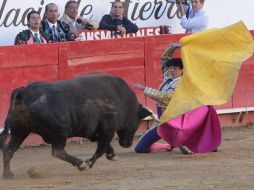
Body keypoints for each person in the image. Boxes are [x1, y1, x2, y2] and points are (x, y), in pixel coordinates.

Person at [134, 44, 221, 154]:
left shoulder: (182, 83)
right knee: (140, 148)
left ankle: (209, 145)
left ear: (182, 70)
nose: (171, 70)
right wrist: (173, 47)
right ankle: (167, 145)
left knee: (187, 151)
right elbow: (165, 59)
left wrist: (145, 89)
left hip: (174, 121)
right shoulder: (168, 78)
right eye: (171, 68)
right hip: (161, 121)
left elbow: (166, 98)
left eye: (175, 68)